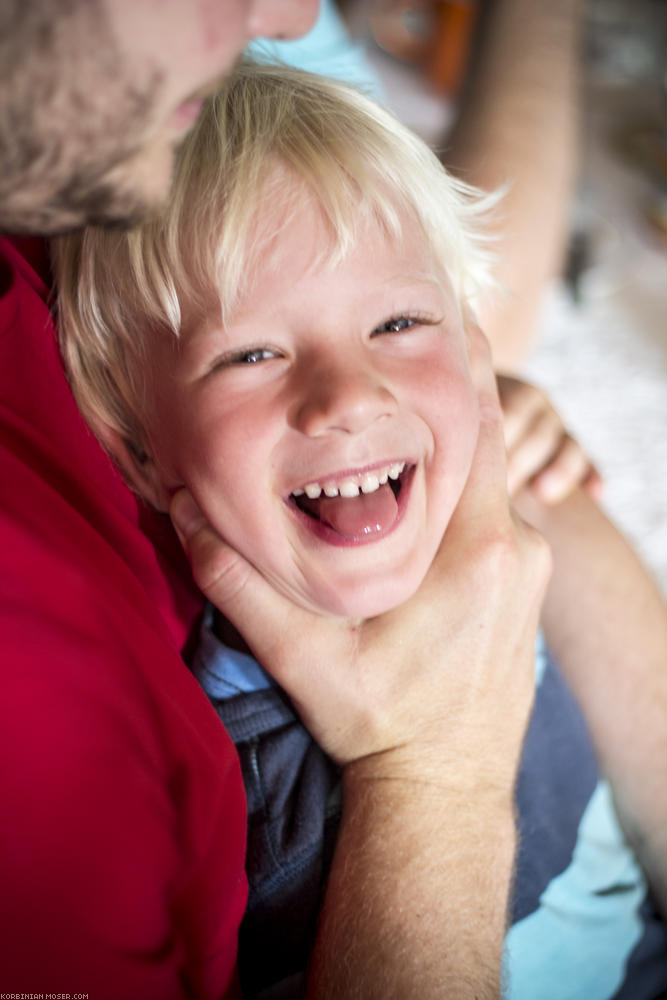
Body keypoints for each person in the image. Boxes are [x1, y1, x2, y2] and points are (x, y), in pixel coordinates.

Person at [0, 1, 579, 995]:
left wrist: (514, 432)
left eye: (398, 322)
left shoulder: (470, 481)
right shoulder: (256, 803)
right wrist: (434, 777)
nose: (351, 396)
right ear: (136, 450)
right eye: (251, 354)